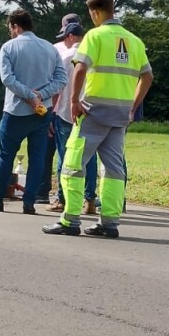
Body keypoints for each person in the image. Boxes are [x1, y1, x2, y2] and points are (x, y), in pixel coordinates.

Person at [44, 0, 153, 238]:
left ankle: (70, 220)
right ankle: (109, 223)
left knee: (72, 164)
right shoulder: (134, 40)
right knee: (114, 169)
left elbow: (80, 69)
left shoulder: (95, 36)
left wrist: (74, 101)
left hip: (93, 112)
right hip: (119, 116)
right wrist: (133, 106)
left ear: (95, 12)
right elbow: (147, 76)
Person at [0, 8, 67, 215]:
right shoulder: (50, 48)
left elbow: (7, 79)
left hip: (15, 111)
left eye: (10, 29)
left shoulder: (9, 47)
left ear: (15, 27)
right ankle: (29, 202)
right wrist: (40, 95)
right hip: (42, 111)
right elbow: (61, 80)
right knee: (37, 157)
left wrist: (28, 95)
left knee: (6, 156)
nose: (11, 32)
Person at [49, 15, 99, 215]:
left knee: (64, 157)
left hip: (65, 113)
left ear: (70, 37)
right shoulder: (95, 56)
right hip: (90, 112)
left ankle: (62, 199)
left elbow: (57, 88)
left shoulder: (66, 57)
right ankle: (89, 200)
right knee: (90, 157)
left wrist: (52, 112)